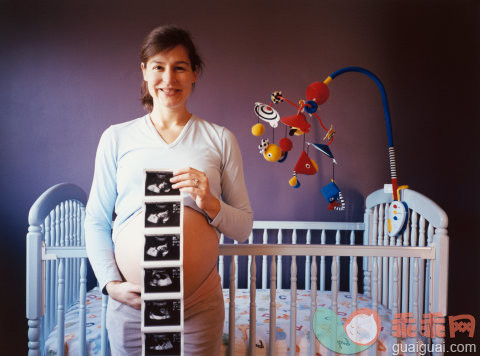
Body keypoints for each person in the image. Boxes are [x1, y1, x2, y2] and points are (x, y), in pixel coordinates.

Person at [85, 25, 253, 355]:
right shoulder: (116, 138)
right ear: (145, 72)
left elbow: (244, 226)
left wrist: (211, 203)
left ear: (194, 74)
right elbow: (96, 220)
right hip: (133, 304)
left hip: (199, 305)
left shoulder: (220, 139)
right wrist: (110, 284)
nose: (169, 79)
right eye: (159, 67)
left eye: (180, 67)